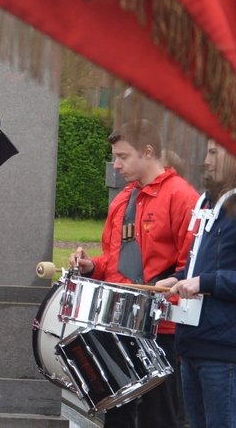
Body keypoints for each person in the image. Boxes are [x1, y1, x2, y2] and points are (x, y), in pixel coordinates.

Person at [70, 119, 197, 428]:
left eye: (123, 156)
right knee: (118, 416)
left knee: (160, 417)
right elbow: (115, 261)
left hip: (161, 330)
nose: (116, 165)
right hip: (119, 322)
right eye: (116, 156)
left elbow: (192, 266)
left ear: (148, 152)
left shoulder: (181, 195)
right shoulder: (124, 199)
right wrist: (93, 266)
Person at [156, 139, 236, 428]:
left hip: (223, 349)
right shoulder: (208, 204)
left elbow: (210, 275)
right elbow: (198, 265)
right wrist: (177, 279)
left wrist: (205, 282)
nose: (206, 161)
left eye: (214, 153)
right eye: (207, 152)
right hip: (191, 343)